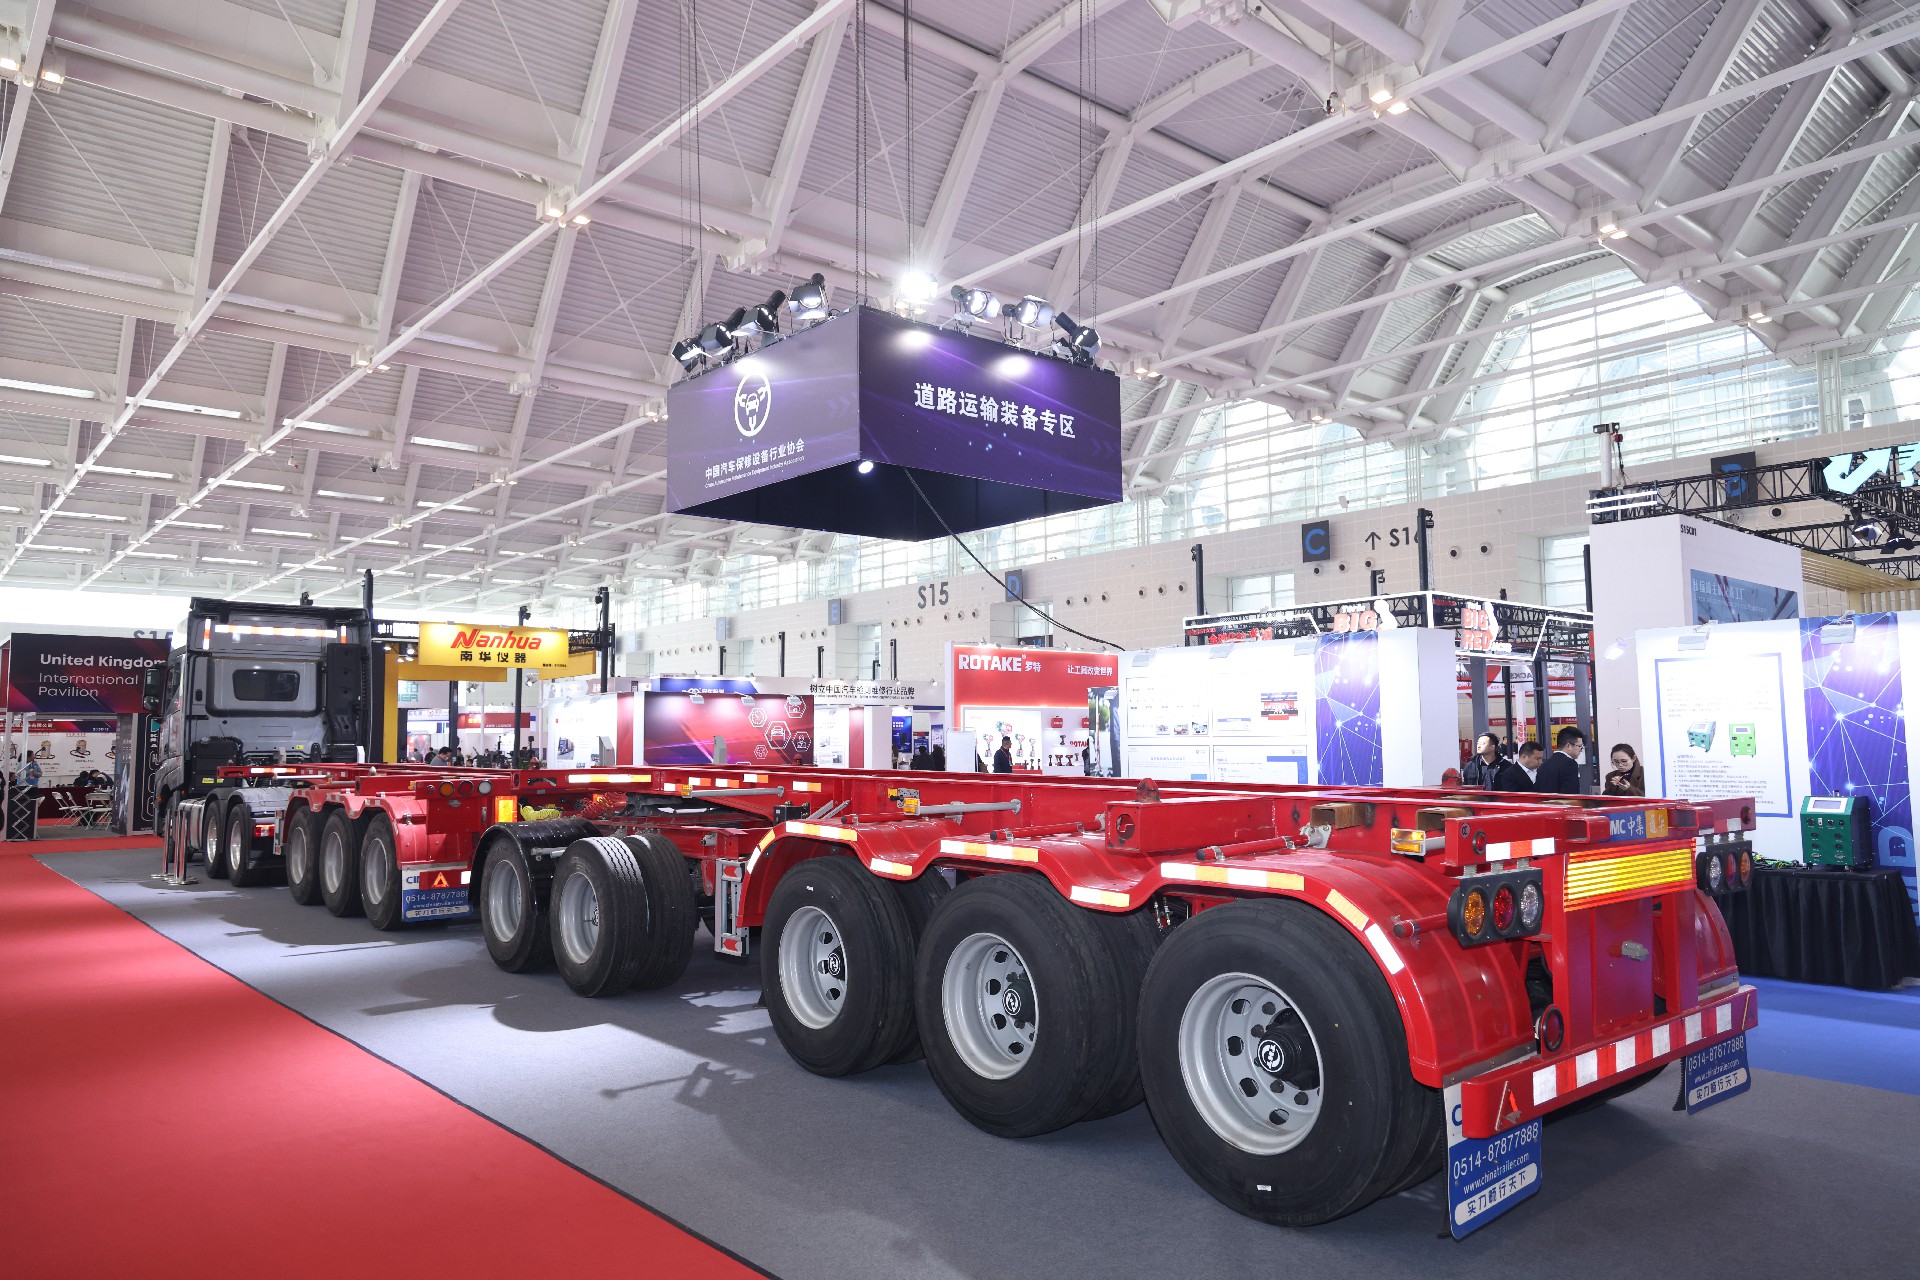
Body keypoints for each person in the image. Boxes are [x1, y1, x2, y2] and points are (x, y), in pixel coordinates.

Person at [1535, 727, 1587, 794]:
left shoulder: (1544, 765)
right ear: (1568, 746)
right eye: (1580, 746)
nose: (1581, 750)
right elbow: (1571, 793)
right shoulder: (1570, 764)